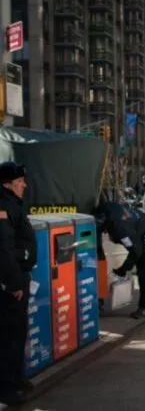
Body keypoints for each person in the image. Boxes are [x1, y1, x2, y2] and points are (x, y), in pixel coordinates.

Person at [0, 162, 36, 406]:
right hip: (11, 284)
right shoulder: (3, 207)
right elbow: (4, 250)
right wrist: (13, 284)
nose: (24, 184)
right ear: (7, 184)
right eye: (20, 181)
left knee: (18, 332)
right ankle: (5, 387)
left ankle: (16, 378)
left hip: (20, 277)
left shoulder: (14, 203)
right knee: (7, 336)